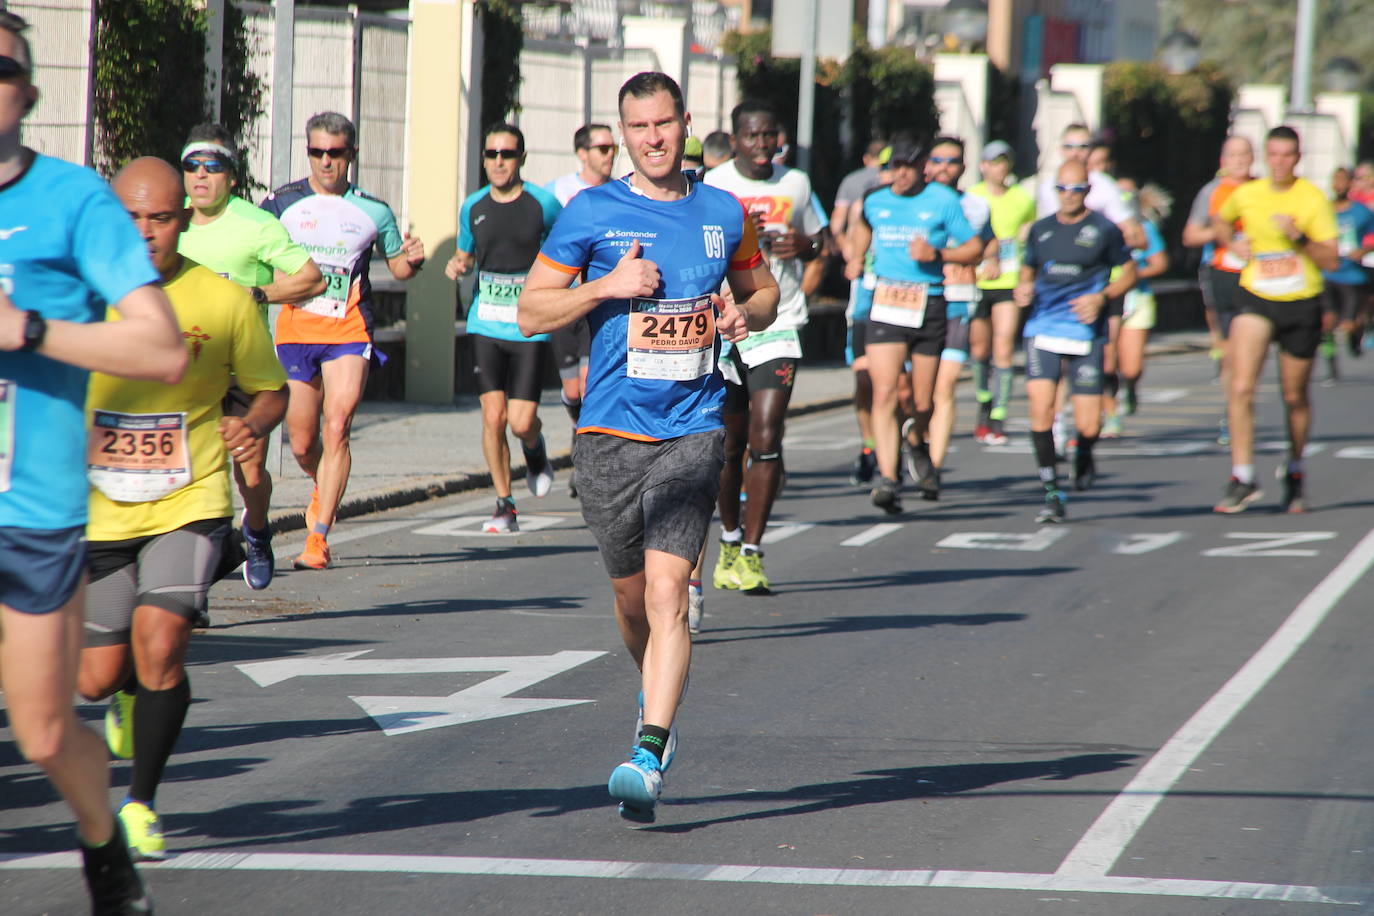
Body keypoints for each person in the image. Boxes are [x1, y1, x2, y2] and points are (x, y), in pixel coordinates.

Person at [518, 71, 779, 822]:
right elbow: (534, 311)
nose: (654, 139)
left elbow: (765, 293)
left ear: (685, 124)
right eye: (639, 129)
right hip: (607, 437)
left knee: (671, 595)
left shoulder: (724, 212)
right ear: (622, 133)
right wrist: (607, 287)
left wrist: (744, 317)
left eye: (665, 125)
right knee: (631, 601)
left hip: (694, 430)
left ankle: (651, 749)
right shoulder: (591, 212)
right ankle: (651, 688)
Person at [0, 13, 187, 911]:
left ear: (28, 93)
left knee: (42, 731)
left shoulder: (72, 201)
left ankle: (103, 840)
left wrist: (28, 329)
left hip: (31, 510)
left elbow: (161, 351)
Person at [79, 158, 288, 861]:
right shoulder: (77, 293)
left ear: (184, 220)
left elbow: (270, 388)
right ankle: (125, 692)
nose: (145, 234)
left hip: (188, 498)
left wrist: (252, 423)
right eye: (130, 218)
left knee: (163, 643)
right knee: (96, 676)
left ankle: (140, 803)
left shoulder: (223, 300)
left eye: (161, 219)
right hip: (98, 509)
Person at [260, 112, 425, 570]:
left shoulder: (374, 210)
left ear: (352, 154)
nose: (326, 162)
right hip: (296, 331)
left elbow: (399, 269)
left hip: (349, 330)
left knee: (338, 425)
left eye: (335, 153)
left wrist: (415, 259)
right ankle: (324, 484)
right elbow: (249, 247)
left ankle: (319, 537)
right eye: (317, 152)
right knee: (300, 441)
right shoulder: (280, 203)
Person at [177, 123, 325, 589]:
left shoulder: (256, 224)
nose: (201, 175)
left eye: (213, 165)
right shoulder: (167, 222)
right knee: (188, 475)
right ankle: (192, 588)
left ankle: (257, 530)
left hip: (244, 368)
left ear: (233, 176)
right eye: (192, 165)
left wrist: (257, 293)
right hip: (183, 368)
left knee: (251, 473)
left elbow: (312, 278)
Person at [704, 99, 823, 593]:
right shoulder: (714, 186)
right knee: (730, 447)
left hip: (779, 319)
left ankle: (752, 553)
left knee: (767, 439)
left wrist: (807, 246)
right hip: (727, 324)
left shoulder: (795, 184)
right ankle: (729, 538)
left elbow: (821, 240)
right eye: (751, 136)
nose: (761, 144)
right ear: (734, 141)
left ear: (780, 138)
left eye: (769, 135)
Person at [844, 136, 981, 515]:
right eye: (892, 166)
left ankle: (917, 441)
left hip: (930, 303)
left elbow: (974, 248)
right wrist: (855, 255)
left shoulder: (943, 201)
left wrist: (938, 253)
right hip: (886, 304)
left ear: (922, 167)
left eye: (906, 166)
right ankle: (890, 479)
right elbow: (862, 228)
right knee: (884, 392)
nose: (898, 174)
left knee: (922, 401)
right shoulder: (876, 200)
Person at [1211, 126, 1338, 514]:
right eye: (1274, 154)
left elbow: (1330, 259)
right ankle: (1243, 476)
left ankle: (1295, 470)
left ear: (1298, 158)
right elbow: (1220, 219)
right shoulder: (1248, 194)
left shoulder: (1312, 199)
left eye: (1288, 155)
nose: (1280, 161)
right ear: (1266, 157)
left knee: (1294, 396)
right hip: (1257, 296)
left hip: (1301, 302)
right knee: (1241, 386)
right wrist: (1231, 242)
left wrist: (1298, 238)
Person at [445, 124, 561, 532]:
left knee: (521, 421)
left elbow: (566, 252)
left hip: (529, 324)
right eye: (491, 154)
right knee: (492, 418)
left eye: (507, 154)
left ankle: (535, 449)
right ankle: (504, 503)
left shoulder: (543, 204)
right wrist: (458, 264)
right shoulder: (472, 206)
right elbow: (466, 253)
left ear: (521, 158)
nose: (498, 161)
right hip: (485, 322)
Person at [1014, 161, 1136, 523]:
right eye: (1062, 189)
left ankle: (1083, 451)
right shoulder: (1040, 230)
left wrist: (1103, 297)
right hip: (1044, 328)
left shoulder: (1104, 230)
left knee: (1089, 425)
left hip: (1086, 332)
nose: (1068, 196)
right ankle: (1051, 490)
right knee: (1040, 409)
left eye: (1076, 189)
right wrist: (1023, 287)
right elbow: (1028, 270)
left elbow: (1130, 271)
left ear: (1087, 190)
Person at [921, 136, 996, 498]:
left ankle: (933, 469)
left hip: (957, 300)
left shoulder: (976, 207)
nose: (943, 167)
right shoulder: (912, 202)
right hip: (913, 303)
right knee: (912, 393)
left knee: (944, 385)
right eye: (937, 159)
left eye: (952, 161)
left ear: (963, 168)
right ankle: (916, 445)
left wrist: (990, 258)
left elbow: (985, 245)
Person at [545, 123, 616, 496]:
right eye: (601, 148)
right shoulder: (556, 194)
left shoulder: (622, 194)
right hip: (564, 304)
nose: (609, 154)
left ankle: (587, 457)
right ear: (582, 153)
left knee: (590, 385)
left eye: (612, 147)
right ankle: (579, 432)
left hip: (600, 306)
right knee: (572, 390)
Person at [1181, 136, 1256, 444]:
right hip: (1223, 273)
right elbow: (1190, 235)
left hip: (1259, 276)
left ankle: (1243, 404)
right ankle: (1231, 413)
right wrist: (1226, 233)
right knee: (1230, 350)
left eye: (1244, 154)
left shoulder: (1262, 190)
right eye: (1232, 155)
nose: (1238, 160)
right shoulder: (1212, 192)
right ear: (1223, 160)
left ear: (1253, 158)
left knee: (1250, 350)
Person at [968, 140, 1036, 445]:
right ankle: (984, 401)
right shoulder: (972, 197)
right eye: (994, 161)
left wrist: (1025, 278)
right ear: (983, 166)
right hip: (977, 281)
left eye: (1004, 161)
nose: (999, 167)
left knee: (1004, 346)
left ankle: (1000, 414)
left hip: (1008, 280)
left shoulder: (1021, 198)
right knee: (980, 350)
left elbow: (1030, 237)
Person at [831, 139, 887, 481]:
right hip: (864, 301)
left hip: (900, 304)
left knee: (902, 387)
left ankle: (901, 441)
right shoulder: (861, 197)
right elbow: (839, 229)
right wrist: (851, 257)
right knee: (864, 379)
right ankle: (870, 446)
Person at [1114, 180, 1171, 422]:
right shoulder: (1102, 229)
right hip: (1109, 298)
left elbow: (1160, 263)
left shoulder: (1145, 229)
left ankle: (1129, 387)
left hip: (1137, 298)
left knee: (1132, 367)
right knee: (1106, 362)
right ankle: (1109, 413)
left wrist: (1134, 275)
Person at [1320, 166, 1374, 367]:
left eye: (1343, 180)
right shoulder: (1323, 209)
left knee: (1347, 325)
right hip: (1327, 272)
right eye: (1336, 180)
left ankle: (1356, 333)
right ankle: (1331, 365)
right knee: (1327, 321)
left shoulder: (1361, 212)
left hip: (1351, 275)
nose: (1339, 185)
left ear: (1351, 184)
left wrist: (1363, 251)